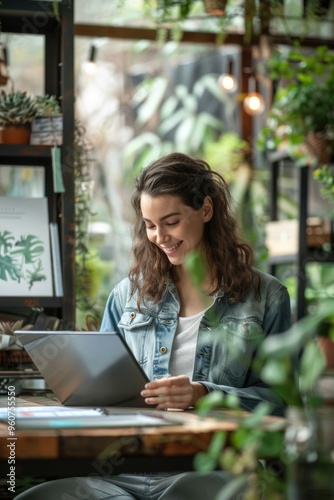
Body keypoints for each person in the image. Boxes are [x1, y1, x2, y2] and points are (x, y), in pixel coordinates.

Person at [15, 152, 291, 500]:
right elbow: (101, 393)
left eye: (171, 221)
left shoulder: (267, 297)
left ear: (206, 210)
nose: (160, 236)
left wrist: (202, 393)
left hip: (212, 468)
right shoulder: (128, 295)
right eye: (150, 224)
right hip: (121, 470)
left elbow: (281, 404)